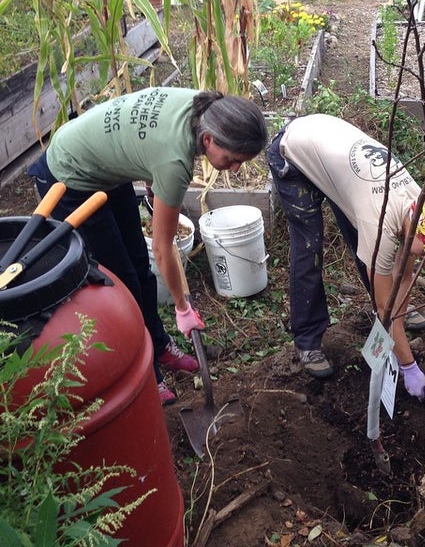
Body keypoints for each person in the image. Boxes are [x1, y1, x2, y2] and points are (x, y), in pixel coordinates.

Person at [28, 87, 269, 405]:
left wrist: (153, 180)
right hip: (69, 176)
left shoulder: (205, 108)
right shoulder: (175, 160)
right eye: (233, 159)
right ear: (208, 140)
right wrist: (182, 308)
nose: (235, 167)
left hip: (104, 164)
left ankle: (158, 343)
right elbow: (163, 247)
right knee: (120, 284)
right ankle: (145, 372)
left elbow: (145, 134)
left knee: (140, 269)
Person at [267, 113, 425, 400]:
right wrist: (408, 364)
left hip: (332, 153)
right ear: (415, 232)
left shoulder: (418, 203)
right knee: (309, 249)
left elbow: (405, 271)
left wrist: (398, 309)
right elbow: (386, 303)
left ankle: (393, 322)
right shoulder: (381, 220)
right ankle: (307, 338)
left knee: (373, 259)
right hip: (295, 152)